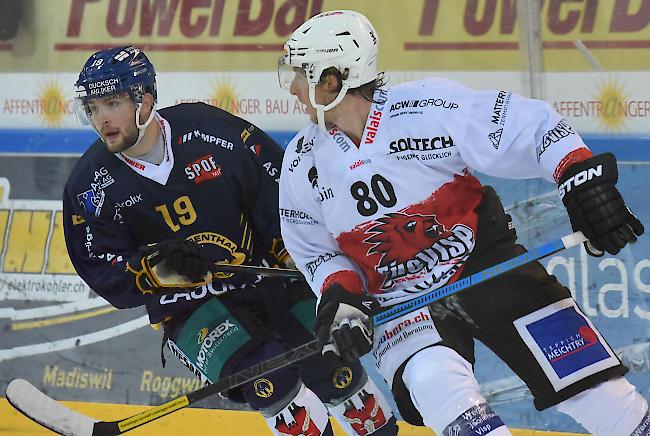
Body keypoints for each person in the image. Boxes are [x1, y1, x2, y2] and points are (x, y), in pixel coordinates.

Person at [277, 10, 649, 436]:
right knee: (436, 385)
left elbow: (525, 125)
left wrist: (579, 176)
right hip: (399, 304)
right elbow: (317, 250)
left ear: (332, 79)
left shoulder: (425, 107)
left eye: (302, 74)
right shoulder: (301, 162)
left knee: (602, 395)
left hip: (489, 267)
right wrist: (340, 295)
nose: (292, 88)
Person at [63, 45, 399, 436]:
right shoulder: (89, 186)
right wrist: (161, 270)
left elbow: (281, 194)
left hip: (267, 279)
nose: (101, 118)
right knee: (279, 390)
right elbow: (104, 270)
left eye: (111, 103)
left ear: (145, 100)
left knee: (340, 377)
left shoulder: (211, 130)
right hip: (190, 309)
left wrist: (294, 256)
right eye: (92, 108)